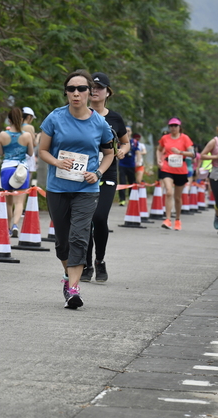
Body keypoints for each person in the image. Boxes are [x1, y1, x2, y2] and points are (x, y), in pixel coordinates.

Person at [39, 69, 114, 309]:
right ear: (66, 92)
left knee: (79, 237)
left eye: (81, 89)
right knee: (63, 243)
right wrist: (56, 162)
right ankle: (67, 276)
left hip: (86, 190)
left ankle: (73, 290)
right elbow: (42, 150)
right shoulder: (55, 118)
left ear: (89, 92)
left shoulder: (99, 123)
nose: (76, 93)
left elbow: (109, 153)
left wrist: (98, 173)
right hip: (58, 188)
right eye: (71, 89)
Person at [82, 72, 130, 283]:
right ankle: (85, 264)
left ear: (108, 92)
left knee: (99, 217)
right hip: (84, 173)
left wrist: (123, 151)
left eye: (99, 87)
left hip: (107, 173)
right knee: (85, 219)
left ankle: (99, 260)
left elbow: (125, 142)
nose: (95, 90)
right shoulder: (80, 114)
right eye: (91, 87)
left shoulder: (115, 118)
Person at [0, 107, 34, 236]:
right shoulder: (27, 135)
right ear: (22, 119)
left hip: (6, 168)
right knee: (19, 201)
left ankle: (7, 227)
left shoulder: (2, 135)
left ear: (9, 120)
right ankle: (15, 225)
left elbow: (1, 153)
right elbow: (30, 153)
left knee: (8, 202)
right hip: (21, 169)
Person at [156, 117, 195, 231]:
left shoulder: (185, 138)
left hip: (180, 170)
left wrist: (180, 152)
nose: (173, 128)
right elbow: (159, 149)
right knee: (169, 192)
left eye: (175, 126)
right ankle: (167, 219)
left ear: (179, 127)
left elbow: (192, 154)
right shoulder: (165, 138)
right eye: (171, 126)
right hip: (167, 168)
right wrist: (159, 160)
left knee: (177, 198)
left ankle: (177, 219)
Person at [117, 125, 138, 206]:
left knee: (131, 182)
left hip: (131, 165)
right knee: (122, 182)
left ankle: (131, 198)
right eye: (126, 131)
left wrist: (138, 161)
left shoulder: (134, 142)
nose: (127, 132)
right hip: (122, 164)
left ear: (131, 132)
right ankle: (122, 199)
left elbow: (138, 152)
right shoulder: (119, 141)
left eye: (129, 131)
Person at [22, 107, 39, 173]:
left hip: (16, 155)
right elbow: (34, 144)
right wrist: (38, 137)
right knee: (26, 176)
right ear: (29, 117)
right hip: (27, 155)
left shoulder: (16, 126)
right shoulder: (29, 127)